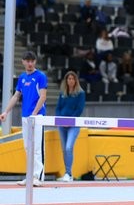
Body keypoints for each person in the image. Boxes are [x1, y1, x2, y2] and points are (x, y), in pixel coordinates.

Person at [0, 51, 47, 186]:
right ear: (23, 62)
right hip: (25, 117)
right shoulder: (22, 77)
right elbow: (16, 96)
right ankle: (30, 175)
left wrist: (34, 113)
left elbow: (43, 96)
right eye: (28, 61)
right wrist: (6, 112)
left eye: (32, 61)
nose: (30, 63)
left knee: (37, 147)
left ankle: (38, 176)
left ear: (35, 62)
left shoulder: (40, 76)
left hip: (37, 116)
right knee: (28, 147)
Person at [55, 71, 85, 182]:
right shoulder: (63, 92)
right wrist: (59, 119)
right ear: (66, 80)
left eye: (72, 79)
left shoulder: (80, 93)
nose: (70, 80)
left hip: (74, 124)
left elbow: (79, 109)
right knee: (64, 149)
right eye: (68, 79)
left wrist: (70, 120)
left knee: (68, 147)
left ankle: (68, 173)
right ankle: (68, 174)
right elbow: (58, 107)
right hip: (61, 124)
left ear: (75, 80)